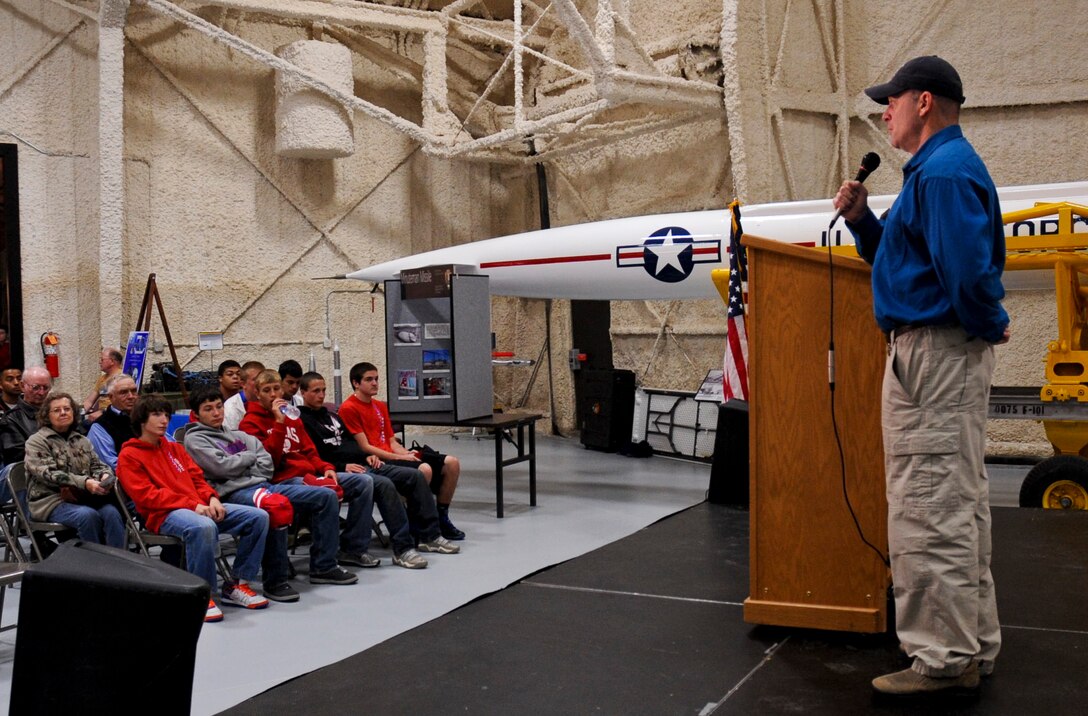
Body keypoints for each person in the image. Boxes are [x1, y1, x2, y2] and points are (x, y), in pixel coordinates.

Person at [833, 55, 1008, 696]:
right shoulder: (936, 173)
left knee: (927, 505)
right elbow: (917, 268)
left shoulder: (941, 175)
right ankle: (971, 644)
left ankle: (942, 658)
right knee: (953, 502)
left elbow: (963, 276)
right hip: (936, 352)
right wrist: (863, 223)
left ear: (924, 102)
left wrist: (987, 318)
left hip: (930, 357)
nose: (886, 111)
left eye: (893, 100)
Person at [184, 387, 358, 598]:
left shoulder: (239, 435)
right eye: (208, 409)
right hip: (233, 494)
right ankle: (275, 581)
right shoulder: (195, 439)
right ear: (197, 414)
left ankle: (324, 566)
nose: (216, 413)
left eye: (219, 407)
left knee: (326, 496)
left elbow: (267, 465)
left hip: (263, 485)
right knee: (275, 506)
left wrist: (241, 463)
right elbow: (221, 467)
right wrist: (248, 458)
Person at [117, 394, 270, 622]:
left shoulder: (174, 449)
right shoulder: (129, 456)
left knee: (258, 516)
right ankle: (202, 594)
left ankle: (237, 584)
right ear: (141, 420)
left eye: (166, 415)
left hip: (199, 506)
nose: (164, 420)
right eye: (157, 415)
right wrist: (193, 505)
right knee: (203, 527)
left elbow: (198, 478)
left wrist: (211, 498)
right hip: (164, 514)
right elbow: (148, 496)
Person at [297, 372, 459, 568]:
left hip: (364, 463)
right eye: (316, 391)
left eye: (323, 390)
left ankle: (430, 536)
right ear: (303, 392)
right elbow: (314, 454)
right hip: (337, 470)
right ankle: (403, 548)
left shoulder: (331, 416)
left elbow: (350, 442)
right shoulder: (301, 420)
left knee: (415, 475)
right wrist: (342, 466)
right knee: (384, 485)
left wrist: (365, 456)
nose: (321, 395)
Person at [238, 369, 378, 571]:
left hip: (310, 475)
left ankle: (353, 549)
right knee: (327, 494)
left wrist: (326, 468)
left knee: (364, 482)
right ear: (258, 394)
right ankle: (323, 565)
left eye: (276, 389)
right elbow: (269, 462)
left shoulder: (294, 419)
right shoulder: (250, 424)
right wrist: (278, 423)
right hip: (282, 480)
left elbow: (310, 451)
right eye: (266, 390)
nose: (273, 395)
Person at [339, 362, 465, 540]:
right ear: (356, 383)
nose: (375, 383)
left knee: (452, 463)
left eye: (376, 379)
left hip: (392, 453)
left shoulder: (380, 406)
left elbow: (391, 441)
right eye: (369, 380)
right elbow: (365, 446)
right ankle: (415, 524)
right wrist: (399, 457)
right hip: (377, 458)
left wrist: (406, 454)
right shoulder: (349, 408)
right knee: (424, 469)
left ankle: (442, 518)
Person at [23, 392, 125, 548]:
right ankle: (93, 566)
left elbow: (97, 465)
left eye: (67, 409)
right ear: (46, 416)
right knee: (87, 516)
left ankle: (122, 561)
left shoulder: (81, 440)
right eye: (57, 410)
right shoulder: (36, 442)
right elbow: (49, 474)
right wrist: (85, 482)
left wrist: (104, 475)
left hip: (82, 496)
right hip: (50, 500)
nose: (63, 412)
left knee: (111, 513)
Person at [86, 374, 140, 470]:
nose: (131, 396)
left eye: (134, 391)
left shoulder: (145, 417)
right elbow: (112, 465)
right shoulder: (100, 427)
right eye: (123, 392)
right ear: (111, 397)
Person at [82, 347, 124, 422]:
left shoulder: (123, 378)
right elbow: (89, 401)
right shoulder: (102, 378)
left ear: (111, 361)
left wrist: (103, 412)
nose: (99, 362)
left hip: (114, 417)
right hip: (100, 416)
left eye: (102, 359)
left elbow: (122, 403)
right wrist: (78, 413)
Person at [223, 360, 264, 430]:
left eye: (263, 378)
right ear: (243, 384)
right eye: (255, 379)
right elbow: (232, 438)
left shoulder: (271, 400)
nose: (261, 382)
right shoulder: (231, 407)